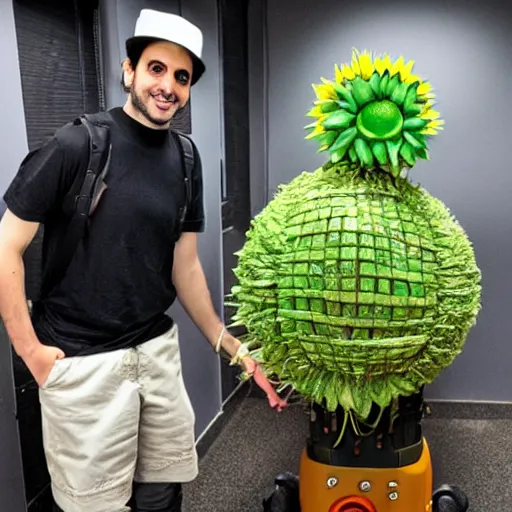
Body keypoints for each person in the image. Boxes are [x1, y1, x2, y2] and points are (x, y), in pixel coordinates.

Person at [0, 9, 284, 512]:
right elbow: (6, 246)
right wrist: (31, 353)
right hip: (82, 364)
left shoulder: (186, 159)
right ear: (129, 71)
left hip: (155, 355)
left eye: (181, 76)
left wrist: (230, 346)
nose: (168, 86)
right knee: (95, 506)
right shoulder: (78, 144)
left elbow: (186, 267)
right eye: (156, 68)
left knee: (161, 495)